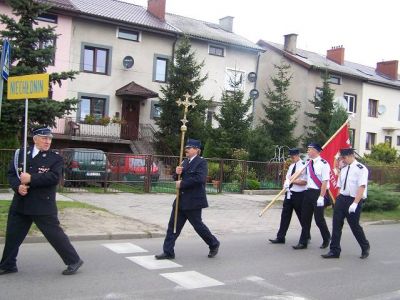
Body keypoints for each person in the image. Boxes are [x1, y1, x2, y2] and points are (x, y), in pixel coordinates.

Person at [0, 127, 83, 275]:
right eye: (44, 138)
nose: (47, 141)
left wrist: (31, 178)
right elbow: (12, 174)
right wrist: (17, 186)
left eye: (49, 138)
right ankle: (8, 265)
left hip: (42, 204)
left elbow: (54, 178)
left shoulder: (55, 158)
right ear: (35, 139)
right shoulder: (20, 154)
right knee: (13, 235)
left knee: (55, 235)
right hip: (21, 202)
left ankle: (74, 260)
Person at [155, 139, 220, 259]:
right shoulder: (184, 162)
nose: (186, 150)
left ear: (196, 150)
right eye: (186, 148)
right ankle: (168, 252)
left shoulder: (201, 163)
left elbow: (200, 179)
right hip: (180, 201)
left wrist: (182, 183)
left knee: (198, 226)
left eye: (189, 148)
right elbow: (177, 178)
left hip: (193, 201)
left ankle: (214, 244)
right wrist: (176, 173)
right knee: (173, 227)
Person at [322, 148, 370, 259]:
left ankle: (365, 246)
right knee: (336, 224)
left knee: (354, 226)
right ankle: (334, 251)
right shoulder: (343, 168)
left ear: (351, 155)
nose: (343, 160)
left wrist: (355, 203)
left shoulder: (361, 169)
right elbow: (339, 185)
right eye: (342, 158)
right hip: (342, 199)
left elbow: (362, 187)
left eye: (344, 157)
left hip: (353, 199)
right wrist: (338, 198)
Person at [293, 142, 331, 250]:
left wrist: (321, 197)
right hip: (308, 193)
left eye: (309, 149)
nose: (308, 151)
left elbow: (325, 182)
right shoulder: (308, 163)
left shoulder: (324, 164)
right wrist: (290, 181)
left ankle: (326, 237)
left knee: (319, 219)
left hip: (319, 193)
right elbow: (303, 176)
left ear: (315, 150)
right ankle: (303, 242)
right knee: (305, 218)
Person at [269, 148, 307, 244]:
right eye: (291, 156)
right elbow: (287, 178)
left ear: (298, 155)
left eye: (293, 156)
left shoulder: (303, 166)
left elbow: (305, 182)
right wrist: (286, 183)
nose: (292, 158)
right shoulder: (291, 166)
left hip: (299, 195)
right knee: (285, 216)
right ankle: (281, 237)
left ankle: (306, 235)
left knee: (302, 216)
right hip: (289, 193)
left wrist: (292, 181)